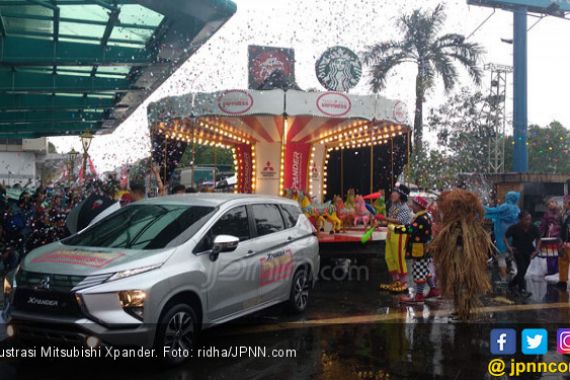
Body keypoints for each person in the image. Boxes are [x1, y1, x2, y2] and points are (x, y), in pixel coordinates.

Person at [430, 189, 493, 320]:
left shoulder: (468, 228)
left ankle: (465, 312)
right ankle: (460, 309)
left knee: (465, 284)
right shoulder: (452, 226)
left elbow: (472, 245)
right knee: (456, 284)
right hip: (455, 259)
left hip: (464, 261)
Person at [395, 196, 440, 304]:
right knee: (426, 270)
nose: (411, 206)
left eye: (413, 204)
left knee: (419, 271)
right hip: (426, 248)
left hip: (420, 249)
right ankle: (433, 290)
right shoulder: (426, 215)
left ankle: (418, 296)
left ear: (419, 206)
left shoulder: (421, 218)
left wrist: (396, 229)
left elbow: (411, 229)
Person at [379, 183, 412, 293]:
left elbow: (400, 221)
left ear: (401, 195)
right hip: (391, 233)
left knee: (399, 258)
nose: (392, 194)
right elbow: (390, 220)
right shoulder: (393, 206)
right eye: (393, 192)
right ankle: (396, 281)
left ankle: (404, 283)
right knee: (389, 257)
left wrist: (385, 219)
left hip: (400, 234)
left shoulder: (404, 208)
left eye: (395, 193)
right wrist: (381, 222)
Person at [484, 191, 520, 281]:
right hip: (513, 235)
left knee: (501, 256)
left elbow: (494, 211)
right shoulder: (517, 209)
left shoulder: (505, 206)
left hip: (502, 234)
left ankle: (503, 278)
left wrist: (481, 207)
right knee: (511, 254)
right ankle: (514, 274)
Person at [504, 211, 541, 297]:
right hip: (517, 251)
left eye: (530, 219)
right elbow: (505, 237)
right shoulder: (514, 228)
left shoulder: (534, 228)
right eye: (526, 219)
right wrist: (509, 247)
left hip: (529, 251)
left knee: (523, 270)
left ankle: (511, 284)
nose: (528, 221)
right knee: (521, 268)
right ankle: (522, 289)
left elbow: (539, 238)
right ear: (520, 219)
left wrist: (537, 249)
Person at [559, 195, 570, 289]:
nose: (564, 204)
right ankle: (562, 282)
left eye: (565, 203)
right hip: (564, 242)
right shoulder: (565, 213)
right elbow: (563, 228)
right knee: (563, 261)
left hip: (568, 242)